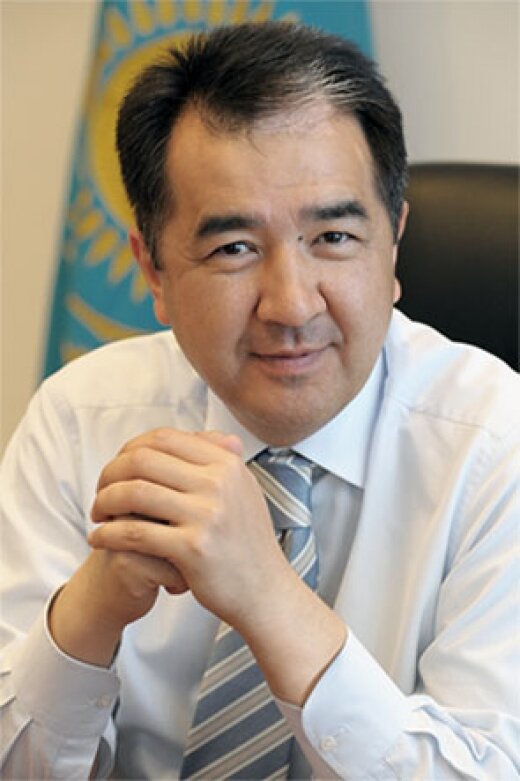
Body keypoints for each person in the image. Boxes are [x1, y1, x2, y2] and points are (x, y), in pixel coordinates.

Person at [1, 20, 518, 780]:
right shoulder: (81, 419)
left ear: (394, 243)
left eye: (333, 237)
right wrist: (93, 608)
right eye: (234, 248)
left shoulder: (496, 443)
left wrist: (266, 595)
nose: (291, 304)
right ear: (153, 271)